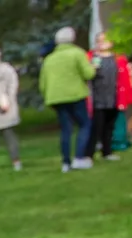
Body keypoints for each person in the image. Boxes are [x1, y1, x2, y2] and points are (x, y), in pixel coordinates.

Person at [40, 26, 96, 171]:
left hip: (56, 97)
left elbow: (43, 83)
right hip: (75, 94)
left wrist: (48, 96)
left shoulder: (49, 59)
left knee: (66, 129)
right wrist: (94, 67)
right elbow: (88, 74)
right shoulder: (77, 53)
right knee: (85, 124)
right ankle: (79, 157)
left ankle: (66, 162)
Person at [86, 33, 132, 160]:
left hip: (113, 97)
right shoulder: (91, 57)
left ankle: (107, 152)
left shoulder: (117, 58)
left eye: (104, 40)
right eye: (99, 41)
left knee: (109, 126)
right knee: (96, 127)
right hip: (97, 98)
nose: (101, 43)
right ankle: (88, 154)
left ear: (111, 43)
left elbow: (123, 78)